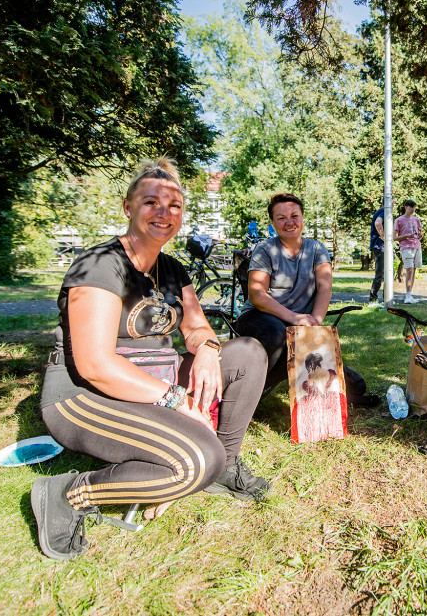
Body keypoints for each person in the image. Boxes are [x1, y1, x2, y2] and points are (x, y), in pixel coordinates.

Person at [32, 159, 271, 562]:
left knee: (247, 352)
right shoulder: (100, 264)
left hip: (153, 381)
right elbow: (95, 366)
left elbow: (196, 327)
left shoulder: (172, 269)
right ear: (128, 207)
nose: (164, 213)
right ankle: (68, 493)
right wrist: (177, 401)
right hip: (84, 394)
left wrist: (210, 351)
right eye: (151, 202)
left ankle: (225, 468)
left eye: (174, 206)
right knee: (195, 462)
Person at [234, 193, 379, 406]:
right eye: (281, 218)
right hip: (259, 318)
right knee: (278, 335)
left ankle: (296, 372)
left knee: (357, 385)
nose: (289, 222)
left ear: (302, 218)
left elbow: (324, 286)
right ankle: (244, 395)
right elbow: (257, 295)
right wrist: (293, 318)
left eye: (294, 215)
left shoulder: (316, 249)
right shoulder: (264, 250)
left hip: (299, 326)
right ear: (273, 223)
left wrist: (316, 321)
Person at [393, 199, 424, 304]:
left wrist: (420, 235)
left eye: (414, 208)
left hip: (417, 247)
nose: (413, 210)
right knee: (409, 270)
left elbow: (419, 234)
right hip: (406, 247)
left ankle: (410, 295)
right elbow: (394, 238)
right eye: (411, 207)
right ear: (406, 207)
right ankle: (407, 296)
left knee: (414, 271)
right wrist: (406, 236)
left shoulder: (416, 220)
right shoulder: (399, 220)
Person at [368, 206, 387, 306]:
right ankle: (373, 300)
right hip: (380, 247)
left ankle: (387, 300)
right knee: (380, 274)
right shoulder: (384, 211)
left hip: (382, 247)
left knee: (388, 274)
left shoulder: (381, 211)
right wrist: (383, 236)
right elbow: (378, 223)